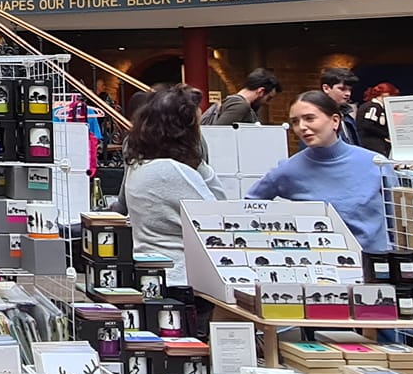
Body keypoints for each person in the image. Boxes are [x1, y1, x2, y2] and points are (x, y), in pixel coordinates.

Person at [246, 91, 392, 253]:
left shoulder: (376, 164)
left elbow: (398, 220)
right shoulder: (288, 169)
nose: (301, 127)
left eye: (309, 118)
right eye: (295, 121)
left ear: (335, 121)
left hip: (376, 266)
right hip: (320, 267)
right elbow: (249, 204)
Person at [113, 84, 224, 280]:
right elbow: (218, 218)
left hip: (151, 271)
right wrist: (199, 163)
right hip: (184, 276)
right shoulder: (173, 171)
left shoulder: (138, 166)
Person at [202, 68, 281, 126]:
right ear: (261, 91)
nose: (266, 102)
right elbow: (219, 134)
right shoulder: (239, 106)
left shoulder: (235, 103)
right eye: (268, 98)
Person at [320, 66, 361, 145]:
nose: (348, 94)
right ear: (326, 88)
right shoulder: (317, 117)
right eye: (342, 89)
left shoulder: (346, 116)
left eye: (350, 89)